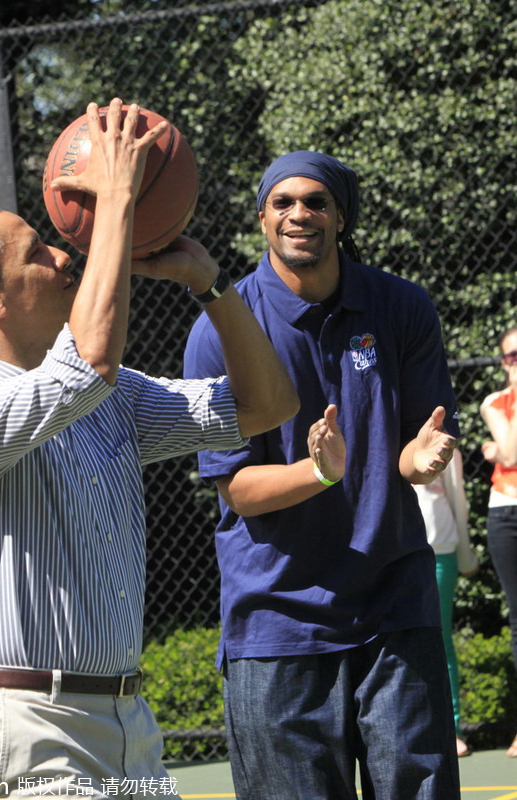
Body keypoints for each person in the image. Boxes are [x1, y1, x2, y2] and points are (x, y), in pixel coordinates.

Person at [0, 99, 299, 799]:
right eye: (37, 252)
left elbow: (267, 406)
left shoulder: (110, 398)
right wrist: (116, 197)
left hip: (128, 723)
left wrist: (208, 285)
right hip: (23, 726)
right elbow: (84, 367)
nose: (63, 253)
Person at [184, 150, 461, 799]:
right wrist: (318, 471)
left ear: (340, 217)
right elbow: (240, 492)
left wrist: (417, 461)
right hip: (276, 622)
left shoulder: (400, 308)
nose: (298, 214)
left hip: (392, 605)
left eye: (315, 201)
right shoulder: (221, 329)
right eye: (282, 202)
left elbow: (416, 439)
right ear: (261, 219)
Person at [412, 448, 479, 758]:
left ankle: (452, 729)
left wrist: (465, 552)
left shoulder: (445, 444)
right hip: (395, 554)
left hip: (441, 553)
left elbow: (457, 500)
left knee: (439, 640)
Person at [481, 326, 517, 757]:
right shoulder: (493, 402)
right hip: (506, 513)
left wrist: (499, 447)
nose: (515, 364)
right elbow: (509, 454)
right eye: (510, 357)